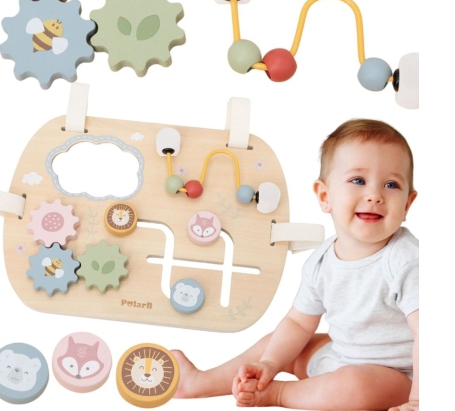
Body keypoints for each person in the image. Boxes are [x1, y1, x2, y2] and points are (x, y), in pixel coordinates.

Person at [173, 119, 419, 411]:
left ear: (407, 204)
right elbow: (299, 322)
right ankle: (199, 383)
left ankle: (278, 394)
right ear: (325, 196)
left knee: (355, 386)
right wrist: (269, 363)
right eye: (358, 180)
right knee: (276, 343)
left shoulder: (406, 261)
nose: (374, 195)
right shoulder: (322, 259)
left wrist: (419, 400)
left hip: (400, 376)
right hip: (339, 355)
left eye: (391, 185)